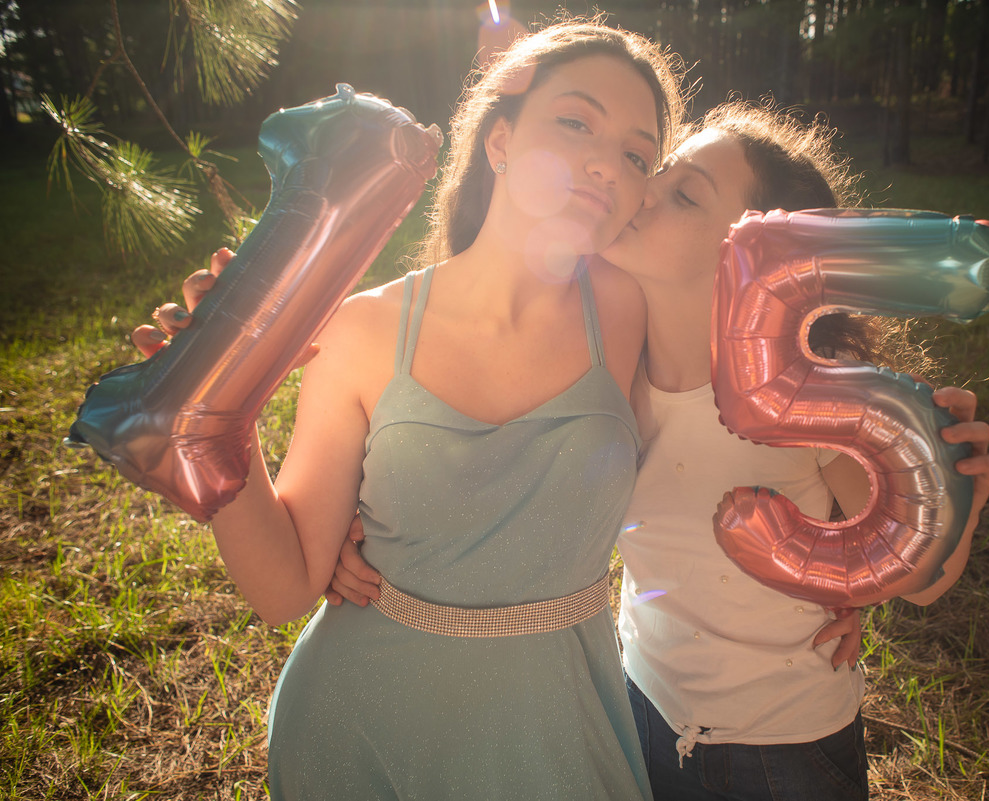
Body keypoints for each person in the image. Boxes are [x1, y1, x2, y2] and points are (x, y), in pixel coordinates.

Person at [330, 101, 989, 801]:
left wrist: (957, 502)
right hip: (639, 707)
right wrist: (363, 526)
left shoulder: (811, 395)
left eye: (685, 194)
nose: (644, 191)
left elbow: (921, 579)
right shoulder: (605, 365)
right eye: (660, 172)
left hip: (784, 746)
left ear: (760, 262)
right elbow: (486, 458)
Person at [136, 19, 688, 800]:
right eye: (575, 121)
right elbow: (284, 586)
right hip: (362, 729)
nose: (607, 164)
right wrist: (217, 407)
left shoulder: (638, 309)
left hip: (560, 727)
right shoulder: (363, 329)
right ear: (499, 140)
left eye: (637, 155)